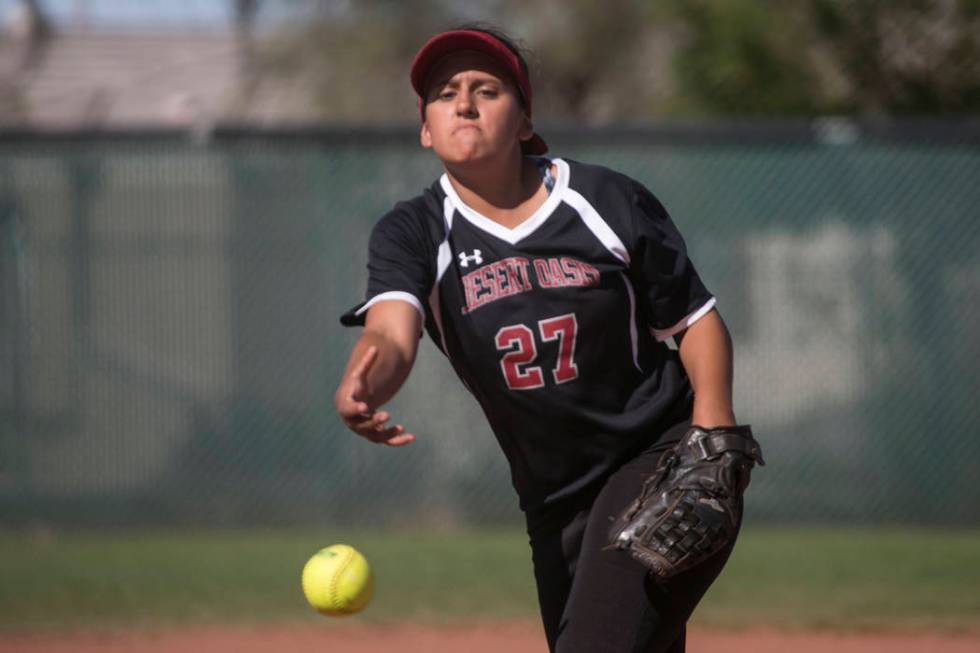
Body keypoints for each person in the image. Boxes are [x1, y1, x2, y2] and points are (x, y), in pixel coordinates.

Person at [336, 25, 748, 653]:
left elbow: (694, 321)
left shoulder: (602, 199)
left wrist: (712, 435)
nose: (465, 103)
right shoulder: (415, 232)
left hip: (658, 455)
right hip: (552, 499)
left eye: (487, 89)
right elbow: (393, 332)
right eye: (444, 94)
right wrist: (363, 377)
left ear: (526, 120)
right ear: (425, 129)